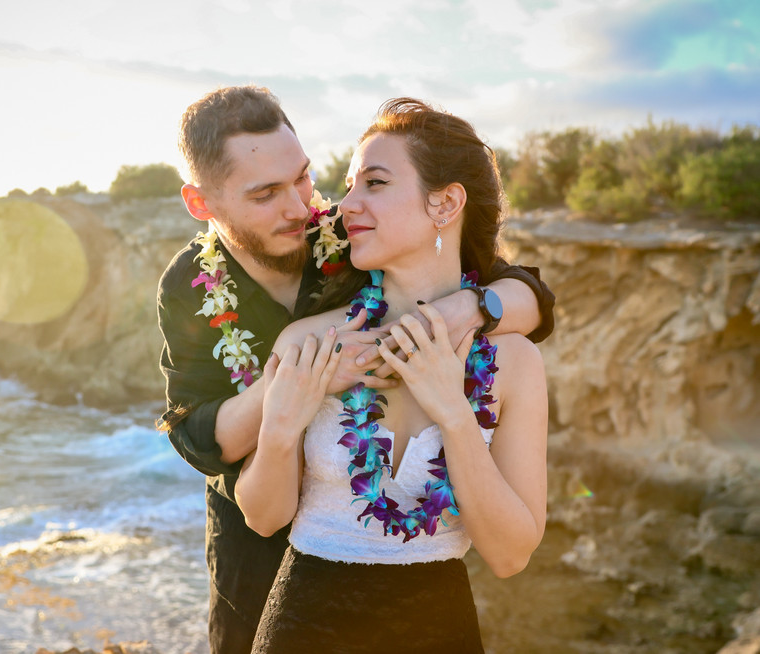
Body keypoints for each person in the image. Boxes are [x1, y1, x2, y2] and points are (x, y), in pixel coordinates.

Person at [156, 86, 554, 654]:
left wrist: (462, 319)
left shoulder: (348, 231)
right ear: (203, 204)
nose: (308, 208)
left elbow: (515, 282)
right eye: (266, 193)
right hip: (269, 578)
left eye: (304, 178)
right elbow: (196, 434)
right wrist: (288, 393)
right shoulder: (194, 289)